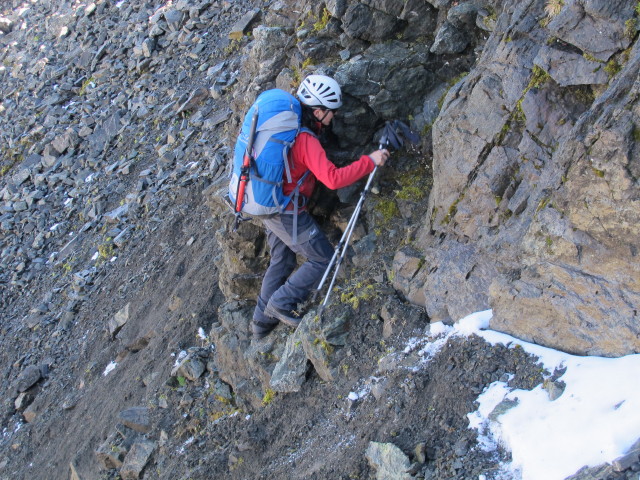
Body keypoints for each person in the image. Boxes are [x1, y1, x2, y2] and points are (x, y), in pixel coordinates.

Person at [252, 74, 390, 339]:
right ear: (317, 111)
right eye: (331, 113)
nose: (333, 118)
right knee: (324, 258)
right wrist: (370, 161)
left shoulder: (288, 130)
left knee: (281, 260)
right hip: (286, 210)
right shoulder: (305, 140)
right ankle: (281, 303)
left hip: (266, 203)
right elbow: (333, 179)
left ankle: (261, 324)